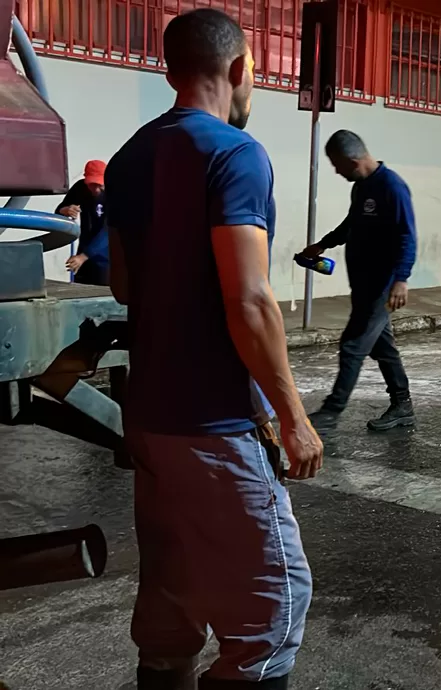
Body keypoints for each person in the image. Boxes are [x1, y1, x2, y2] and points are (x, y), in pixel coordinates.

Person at [104, 9, 322, 689]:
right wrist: (293, 416)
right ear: (237, 70)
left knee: (170, 609)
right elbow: (249, 300)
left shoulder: (129, 157)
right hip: (217, 422)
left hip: (150, 419)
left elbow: (122, 283)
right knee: (271, 616)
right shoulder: (233, 152)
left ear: (171, 68)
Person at [300, 130, 417, 431]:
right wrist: (323, 244)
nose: (336, 171)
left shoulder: (392, 187)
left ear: (352, 160)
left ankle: (331, 411)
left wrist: (401, 279)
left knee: (353, 345)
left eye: (337, 165)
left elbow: (407, 236)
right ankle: (402, 405)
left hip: (382, 285)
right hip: (362, 283)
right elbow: (352, 223)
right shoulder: (362, 187)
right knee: (383, 347)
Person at [56, 159, 110, 286]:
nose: (96, 189)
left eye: (99, 185)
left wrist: (83, 257)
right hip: (84, 253)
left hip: (106, 257)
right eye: (92, 184)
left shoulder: (115, 193)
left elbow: (108, 231)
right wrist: (66, 210)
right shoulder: (80, 188)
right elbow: (59, 210)